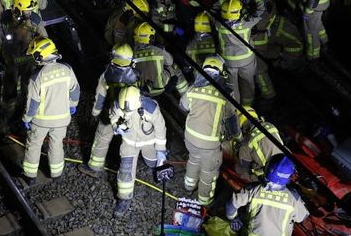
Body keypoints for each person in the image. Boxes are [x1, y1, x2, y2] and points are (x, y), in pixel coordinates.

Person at [99, 85, 166, 218]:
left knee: (153, 163)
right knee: (125, 170)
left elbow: (160, 127)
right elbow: (113, 115)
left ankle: (154, 167)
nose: (126, 114)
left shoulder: (151, 108)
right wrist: (117, 127)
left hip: (149, 142)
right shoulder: (118, 104)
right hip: (129, 143)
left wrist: (161, 150)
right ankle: (124, 199)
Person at [180, 56, 237, 206]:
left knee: (193, 159)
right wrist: (237, 136)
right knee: (208, 172)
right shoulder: (226, 94)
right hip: (210, 145)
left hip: (190, 138)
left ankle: (188, 186)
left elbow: (183, 106)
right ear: (221, 72)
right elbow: (231, 120)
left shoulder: (193, 88)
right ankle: (204, 202)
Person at [21, 37, 79, 184]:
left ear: (39, 55)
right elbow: (75, 91)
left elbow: (33, 103)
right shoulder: (67, 69)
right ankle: (56, 175)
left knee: (34, 146)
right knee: (56, 145)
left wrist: (26, 118)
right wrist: (73, 105)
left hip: (41, 121)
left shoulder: (37, 76)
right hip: (62, 119)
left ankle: (30, 176)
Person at [82, 42, 140, 177]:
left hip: (110, 112)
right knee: (128, 144)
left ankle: (95, 167)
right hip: (131, 114)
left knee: (102, 138)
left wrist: (95, 112)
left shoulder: (106, 74)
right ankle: (126, 172)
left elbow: (100, 96)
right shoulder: (136, 74)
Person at [0, 0, 47, 113]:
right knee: (9, 87)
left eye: (30, 11)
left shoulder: (35, 19)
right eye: (26, 11)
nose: (29, 13)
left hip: (27, 58)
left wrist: (41, 56)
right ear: (17, 8)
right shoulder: (5, 18)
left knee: (27, 86)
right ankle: (8, 112)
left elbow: (44, 37)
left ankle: (25, 110)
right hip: (10, 59)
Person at [214, 0, 261, 105]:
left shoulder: (218, 24)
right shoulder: (246, 23)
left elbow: (212, 9)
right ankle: (248, 107)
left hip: (228, 62)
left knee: (232, 87)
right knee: (248, 85)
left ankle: (235, 109)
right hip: (247, 61)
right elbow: (260, 10)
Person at [130, 22, 186, 101]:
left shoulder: (131, 54)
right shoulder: (157, 50)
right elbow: (170, 61)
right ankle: (185, 94)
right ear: (151, 37)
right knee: (173, 66)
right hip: (159, 89)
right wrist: (162, 50)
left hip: (141, 90)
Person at [235, 109, 285, 181]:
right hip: (285, 165)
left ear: (242, 127)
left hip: (268, 176)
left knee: (239, 169)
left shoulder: (246, 143)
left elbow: (245, 167)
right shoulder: (271, 125)